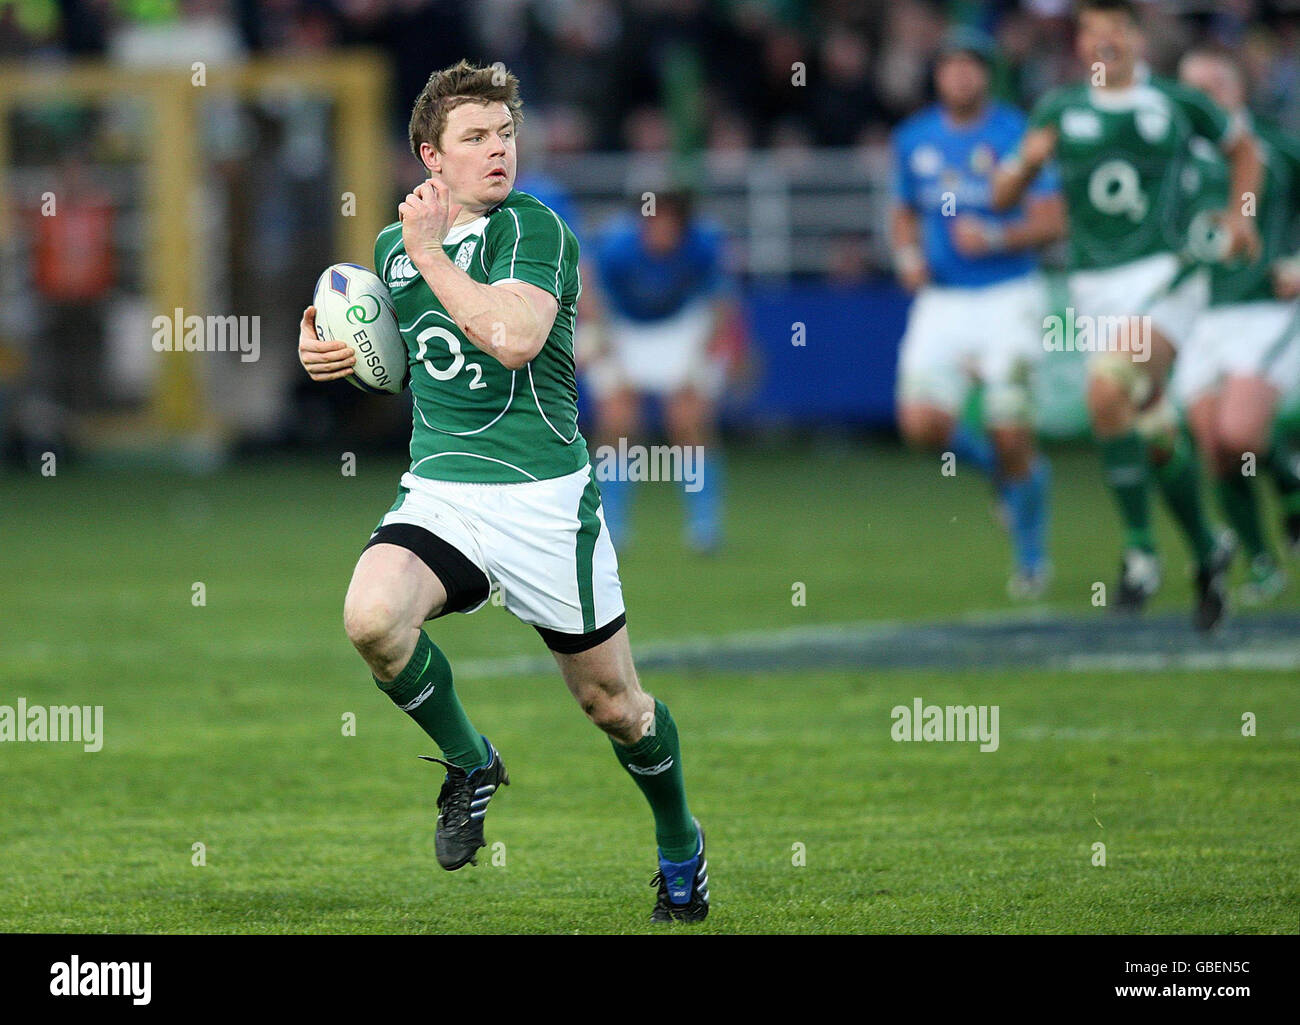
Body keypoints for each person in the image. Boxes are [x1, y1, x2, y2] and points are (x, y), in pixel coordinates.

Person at [296, 60, 708, 923]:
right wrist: (330, 355)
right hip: (443, 489)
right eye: (475, 137)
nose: (498, 151)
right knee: (371, 618)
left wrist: (428, 252)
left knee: (616, 708)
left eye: (506, 135)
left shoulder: (538, 230)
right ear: (429, 157)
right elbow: (405, 359)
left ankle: (679, 842)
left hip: (546, 503)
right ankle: (471, 761)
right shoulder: (389, 251)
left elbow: (513, 337)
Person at [993, 0, 1262, 631]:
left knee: (1106, 388)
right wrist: (1026, 164)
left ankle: (1141, 548)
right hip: (1093, 290)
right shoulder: (1058, 109)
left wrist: (1241, 213)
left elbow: (1243, 151)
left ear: (1137, 39)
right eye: (1090, 31)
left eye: (1115, 28)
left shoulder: (1174, 102)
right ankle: (1206, 547)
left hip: (1166, 277)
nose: (1102, 41)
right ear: (1079, 43)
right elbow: (1002, 198)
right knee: (1151, 422)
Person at [892, 28, 1065, 598]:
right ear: (938, 74)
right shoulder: (913, 138)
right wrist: (908, 255)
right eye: (950, 66)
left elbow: (1053, 220)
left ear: (987, 74)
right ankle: (1000, 474)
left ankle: (1031, 557)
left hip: (1008, 295)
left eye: (971, 66)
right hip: (943, 297)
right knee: (921, 425)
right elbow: (903, 213)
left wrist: (993, 237)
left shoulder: (1017, 133)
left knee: (1011, 426)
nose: (960, 76)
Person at [1173, 48, 1300, 605]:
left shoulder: (1276, 148)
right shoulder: (1173, 161)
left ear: (1238, 88)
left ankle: (1292, 483)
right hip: (1200, 318)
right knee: (1214, 451)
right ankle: (1262, 561)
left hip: (1262, 309)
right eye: (1191, 88)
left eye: (1214, 84)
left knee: (1241, 435)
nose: (1204, 98)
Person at [584, 188, 737, 552]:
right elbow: (588, 290)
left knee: (688, 421)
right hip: (619, 325)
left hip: (679, 326)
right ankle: (612, 525)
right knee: (618, 423)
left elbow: (720, 301)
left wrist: (709, 353)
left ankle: (705, 526)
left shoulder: (703, 244)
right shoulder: (616, 246)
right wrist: (603, 341)